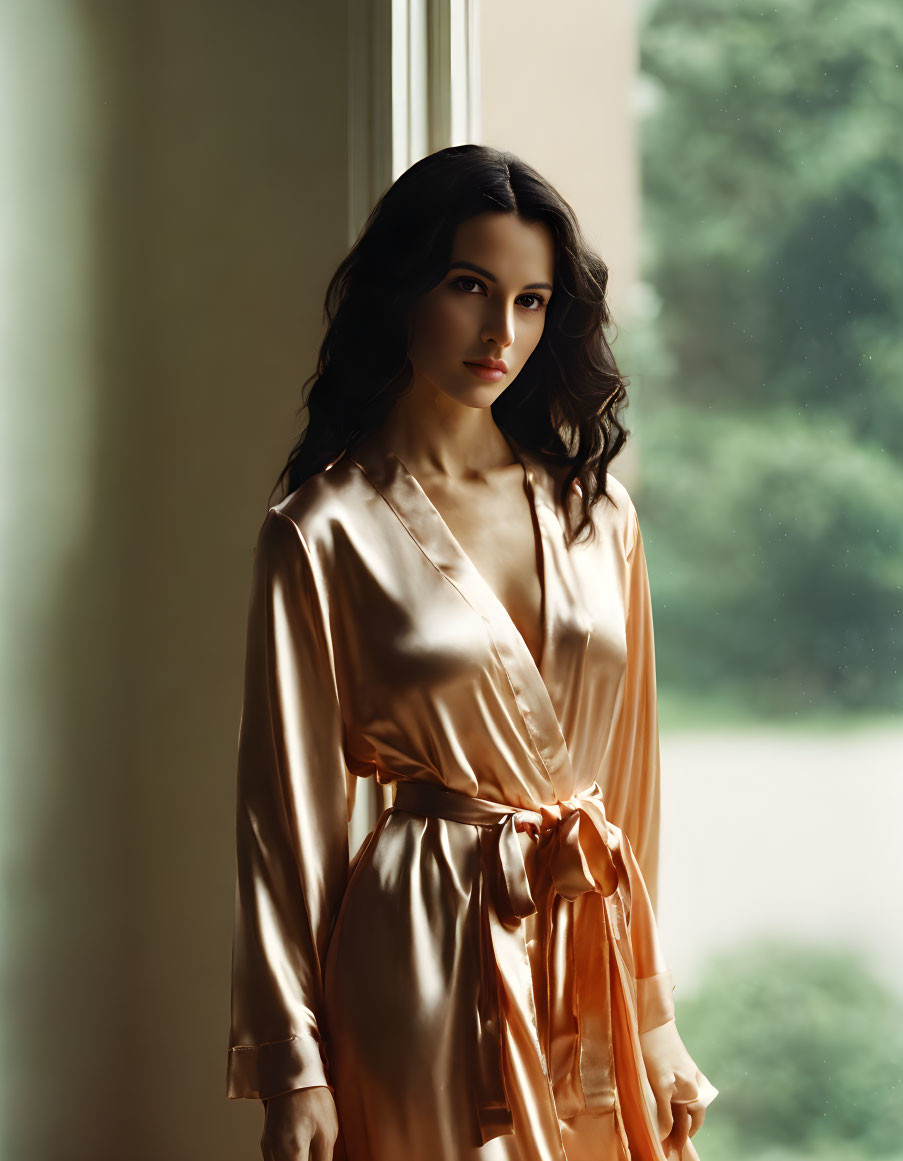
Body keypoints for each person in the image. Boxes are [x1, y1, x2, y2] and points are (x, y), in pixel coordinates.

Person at [225, 143, 718, 1161]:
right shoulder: (323, 530)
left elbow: (628, 783)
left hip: (586, 957)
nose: (503, 332)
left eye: (533, 301)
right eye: (469, 287)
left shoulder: (598, 516)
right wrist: (294, 1068)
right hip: (419, 950)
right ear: (404, 290)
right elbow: (286, 823)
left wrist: (654, 1016)